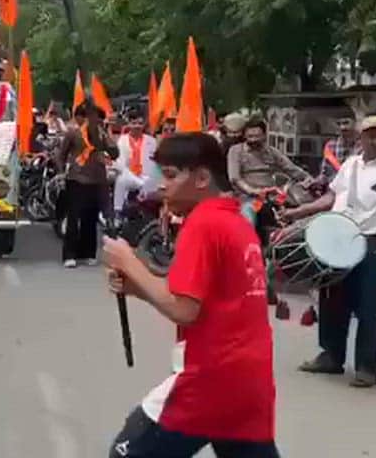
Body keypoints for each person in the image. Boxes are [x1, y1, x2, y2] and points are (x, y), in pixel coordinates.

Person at [102, 132, 278, 457]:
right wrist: (137, 287)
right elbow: (210, 300)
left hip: (209, 377)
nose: (161, 186)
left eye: (170, 176)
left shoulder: (204, 224)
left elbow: (184, 309)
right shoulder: (236, 221)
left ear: (201, 178)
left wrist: (129, 261)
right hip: (250, 381)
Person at [285, 114, 376, 388]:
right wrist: (298, 211)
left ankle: (367, 367)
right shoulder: (350, 164)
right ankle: (331, 356)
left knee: (367, 307)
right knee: (332, 299)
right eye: (371, 134)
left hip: (371, 242)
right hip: (338, 237)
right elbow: (332, 197)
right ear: (361, 137)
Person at [227, 117, 310, 243]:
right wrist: (253, 191)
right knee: (248, 215)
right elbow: (235, 178)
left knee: (299, 212)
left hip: (272, 197)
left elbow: (292, 169)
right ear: (244, 136)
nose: (253, 139)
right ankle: (246, 247)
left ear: (264, 135)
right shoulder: (236, 151)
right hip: (248, 198)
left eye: (257, 136)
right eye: (250, 136)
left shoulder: (271, 152)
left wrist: (310, 180)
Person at [56, 104, 118, 268]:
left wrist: (107, 136)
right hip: (76, 179)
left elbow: (115, 153)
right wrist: (62, 173)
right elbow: (61, 155)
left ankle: (88, 253)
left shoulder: (101, 135)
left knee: (90, 219)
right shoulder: (73, 133)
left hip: (97, 180)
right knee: (73, 218)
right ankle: (69, 255)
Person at [113, 109, 158, 217]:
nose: (137, 126)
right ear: (128, 124)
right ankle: (117, 213)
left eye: (140, 123)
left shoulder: (151, 141)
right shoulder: (122, 140)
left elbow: (155, 163)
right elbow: (120, 163)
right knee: (121, 180)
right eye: (134, 123)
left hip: (146, 177)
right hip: (130, 177)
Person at [319, 114, 359, 183]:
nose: (342, 127)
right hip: (336, 189)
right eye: (338, 124)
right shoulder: (330, 146)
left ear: (355, 123)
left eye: (346, 123)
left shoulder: (364, 146)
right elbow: (325, 174)